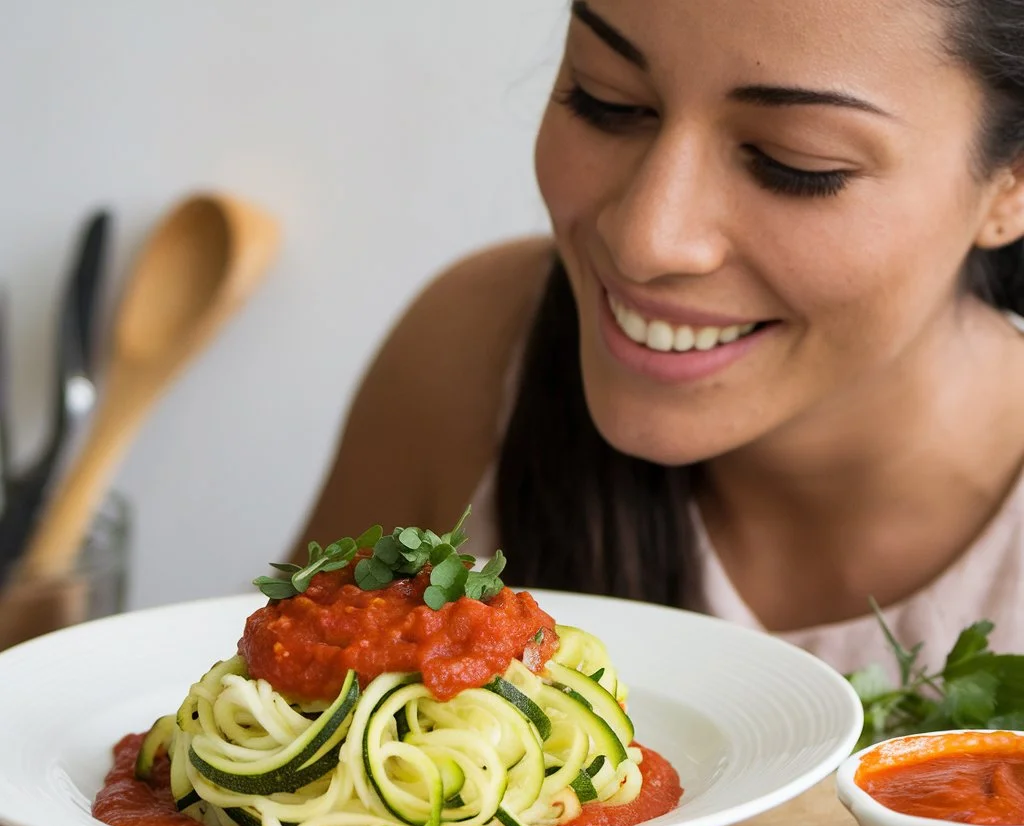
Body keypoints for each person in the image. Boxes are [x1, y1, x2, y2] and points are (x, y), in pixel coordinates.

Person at [293, 0, 1024, 675]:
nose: (645, 241)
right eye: (605, 100)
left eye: (796, 164)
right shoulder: (473, 354)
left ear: (1011, 182)